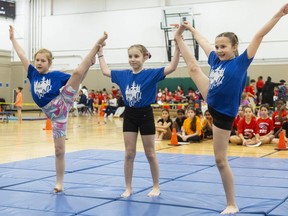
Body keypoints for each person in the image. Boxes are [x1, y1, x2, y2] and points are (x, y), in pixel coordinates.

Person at [174, 4, 288, 214]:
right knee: (192, 67)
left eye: (223, 46)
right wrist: (189, 29)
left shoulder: (241, 62)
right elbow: (204, 42)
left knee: (220, 159)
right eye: (217, 46)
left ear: (234, 47)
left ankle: (232, 204)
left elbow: (259, 35)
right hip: (211, 98)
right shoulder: (216, 60)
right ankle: (178, 39)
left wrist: (278, 15)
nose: (218, 50)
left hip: (223, 113)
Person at [9, 25, 108, 193]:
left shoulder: (55, 76)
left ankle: (96, 45)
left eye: (43, 60)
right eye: (37, 60)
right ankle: (59, 183)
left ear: (50, 63)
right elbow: (22, 55)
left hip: (63, 102)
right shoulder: (32, 73)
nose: (39, 63)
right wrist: (12, 39)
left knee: (77, 72)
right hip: (56, 117)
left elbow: (78, 78)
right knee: (59, 150)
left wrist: (86, 67)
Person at [97, 41, 180, 197]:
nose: (133, 59)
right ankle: (128, 187)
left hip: (145, 115)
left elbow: (172, 67)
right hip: (130, 115)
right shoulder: (123, 75)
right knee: (129, 153)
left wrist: (177, 50)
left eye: (136, 56)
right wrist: (100, 53)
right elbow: (105, 70)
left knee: (150, 152)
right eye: (130, 56)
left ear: (145, 57)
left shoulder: (151, 73)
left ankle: (156, 186)